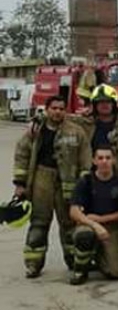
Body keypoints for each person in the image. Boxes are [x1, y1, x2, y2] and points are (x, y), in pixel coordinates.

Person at [13, 95, 90, 278]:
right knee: (39, 222)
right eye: (54, 108)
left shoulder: (76, 131)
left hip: (68, 181)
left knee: (69, 224)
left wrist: (84, 186)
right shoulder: (35, 131)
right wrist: (20, 184)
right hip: (42, 178)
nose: (58, 112)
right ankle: (33, 263)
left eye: (61, 108)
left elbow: (85, 158)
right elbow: (22, 153)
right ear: (47, 109)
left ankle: (73, 261)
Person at [67, 144, 118, 285]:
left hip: (112, 228)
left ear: (114, 160)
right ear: (94, 161)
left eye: (108, 158)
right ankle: (80, 270)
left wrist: (102, 219)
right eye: (100, 158)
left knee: (116, 272)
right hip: (89, 226)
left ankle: (99, 255)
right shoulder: (85, 181)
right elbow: (74, 212)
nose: (104, 161)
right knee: (84, 235)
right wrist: (95, 224)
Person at [73, 84, 118, 178]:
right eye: (100, 102)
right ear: (94, 105)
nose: (104, 105)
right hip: (92, 176)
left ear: (114, 104)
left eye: (108, 102)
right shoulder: (84, 124)